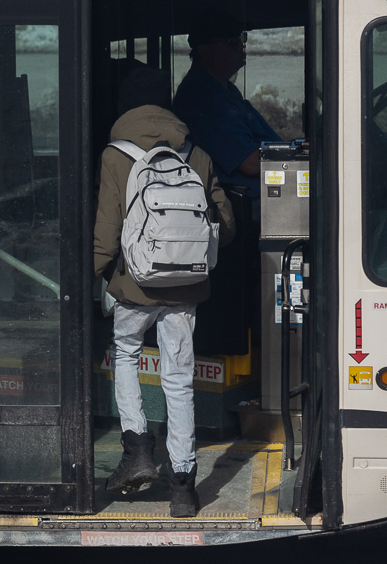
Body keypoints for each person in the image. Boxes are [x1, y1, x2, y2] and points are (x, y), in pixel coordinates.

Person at [94, 65, 236, 517]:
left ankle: (136, 446)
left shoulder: (115, 155)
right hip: (186, 289)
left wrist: (90, 279)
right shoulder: (196, 153)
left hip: (135, 285)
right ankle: (184, 487)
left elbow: (106, 235)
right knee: (178, 380)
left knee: (127, 355)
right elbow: (225, 225)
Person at [172, 17, 281, 201]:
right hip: (245, 205)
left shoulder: (225, 90)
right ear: (205, 51)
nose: (241, 47)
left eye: (242, 39)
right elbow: (250, 162)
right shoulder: (203, 98)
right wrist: (295, 152)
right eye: (232, 43)